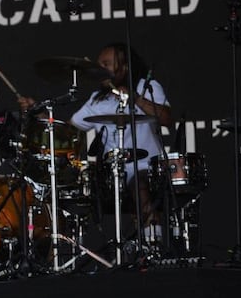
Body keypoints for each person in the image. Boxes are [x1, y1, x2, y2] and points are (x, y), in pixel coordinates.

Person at [20, 43, 172, 238]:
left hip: (148, 167)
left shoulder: (145, 87)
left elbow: (167, 118)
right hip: (112, 173)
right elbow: (66, 133)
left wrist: (135, 99)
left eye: (106, 63)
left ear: (124, 67)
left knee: (139, 184)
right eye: (99, 64)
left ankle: (153, 243)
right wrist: (38, 112)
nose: (100, 68)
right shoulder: (97, 100)